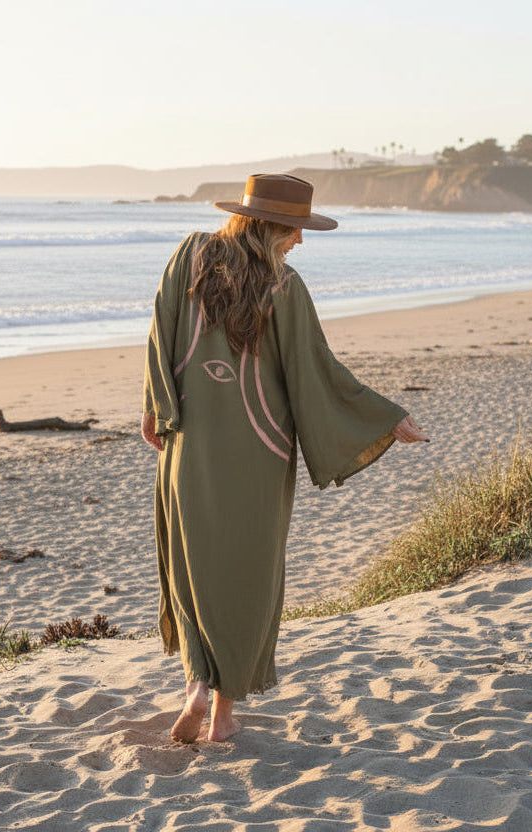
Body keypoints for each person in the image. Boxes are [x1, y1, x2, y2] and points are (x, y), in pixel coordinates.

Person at [141, 173, 429, 744]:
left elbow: (160, 335)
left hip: (189, 442)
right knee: (245, 576)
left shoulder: (189, 257)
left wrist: (156, 408)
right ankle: (222, 713)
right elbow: (315, 371)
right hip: (260, 450)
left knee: (192, 567)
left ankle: (196, 688)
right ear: (272, 225)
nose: (300, 241)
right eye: (296, 229)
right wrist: (384, 418)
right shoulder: (284, 286)